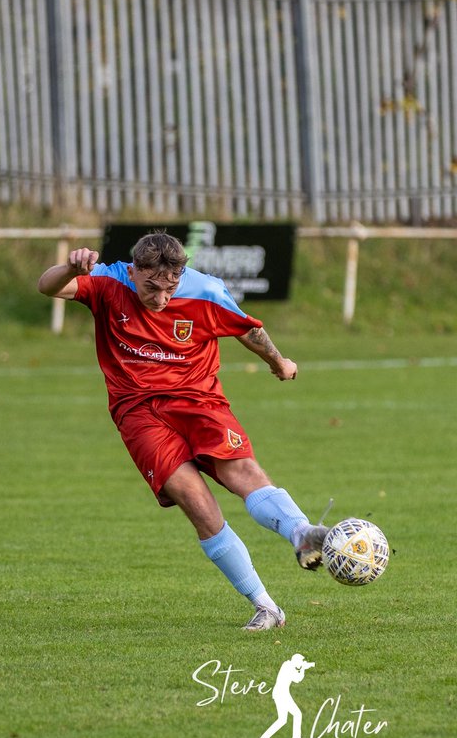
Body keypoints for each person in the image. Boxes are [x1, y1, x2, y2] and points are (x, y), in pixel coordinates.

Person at [37, 232, 329, 631]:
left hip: (199, 402)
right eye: (151, 288)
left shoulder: (205, 290)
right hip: (138, 413)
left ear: (181, 274)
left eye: (169, 288)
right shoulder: (108, 281)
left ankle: (303, 533)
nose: (160, 299)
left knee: (241, 471)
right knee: (195, 500)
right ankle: (266, 606)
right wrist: (71, 266)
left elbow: (247, 329)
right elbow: (48, 286)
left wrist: (278, 362)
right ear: (133, 270)